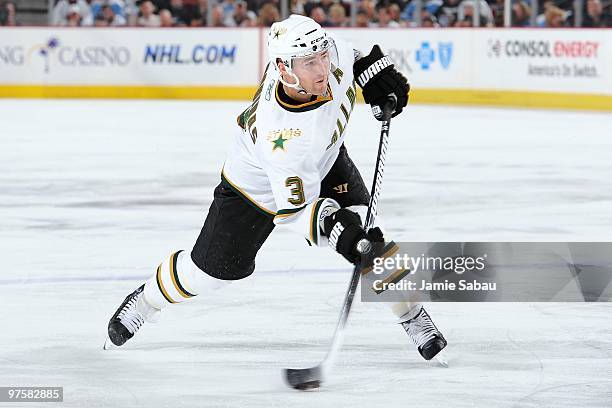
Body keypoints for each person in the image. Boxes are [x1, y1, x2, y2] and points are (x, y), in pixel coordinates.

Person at [104, 14, 447, 363]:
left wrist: (376, 73)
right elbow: (296, 212)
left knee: (374, 239)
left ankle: (412, 316)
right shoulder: (281, 137)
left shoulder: (327, 55)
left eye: (322, 57)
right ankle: (146, 300)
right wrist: (338, 230)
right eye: (310, 63)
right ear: (284, 69)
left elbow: (354, 55)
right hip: (252, 190)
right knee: (208, 275)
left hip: (323, 160)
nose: (322, 69)